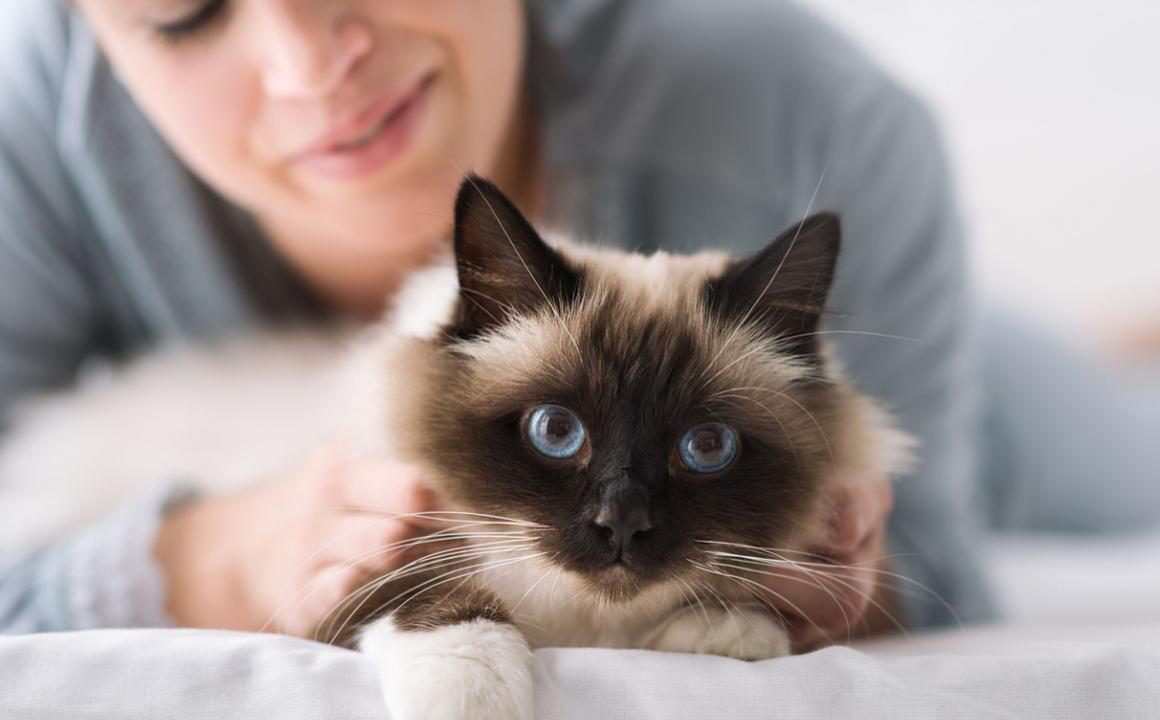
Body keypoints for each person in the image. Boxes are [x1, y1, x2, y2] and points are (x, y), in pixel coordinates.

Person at [0, 0, 1155, 646]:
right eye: (182, 11)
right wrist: (215, 558)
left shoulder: (812, 117)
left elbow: (949, 595)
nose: (310, 66)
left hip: (996, 387)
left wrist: (846, 584)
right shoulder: (27, 136)